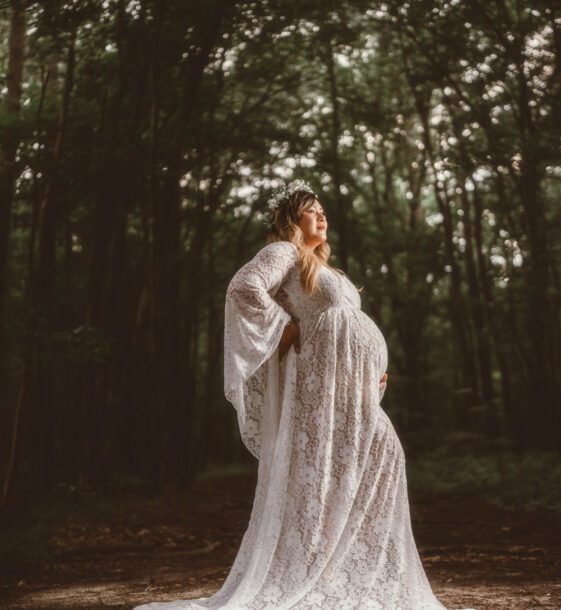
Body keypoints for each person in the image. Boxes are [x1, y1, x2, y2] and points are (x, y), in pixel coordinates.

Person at [134, 180, 448, 609]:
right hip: (320, 385)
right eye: (312, 209)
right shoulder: (284, 251)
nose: (322, 216)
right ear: (291, 218)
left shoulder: (325, 268)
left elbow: (348, 328)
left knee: (381, 455)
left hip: (348, 385)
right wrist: (284, 326)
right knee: (332, 467)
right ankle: (314, 567)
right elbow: (243, 287)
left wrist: (372, 369)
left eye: (323, 210)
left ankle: (346, 567)